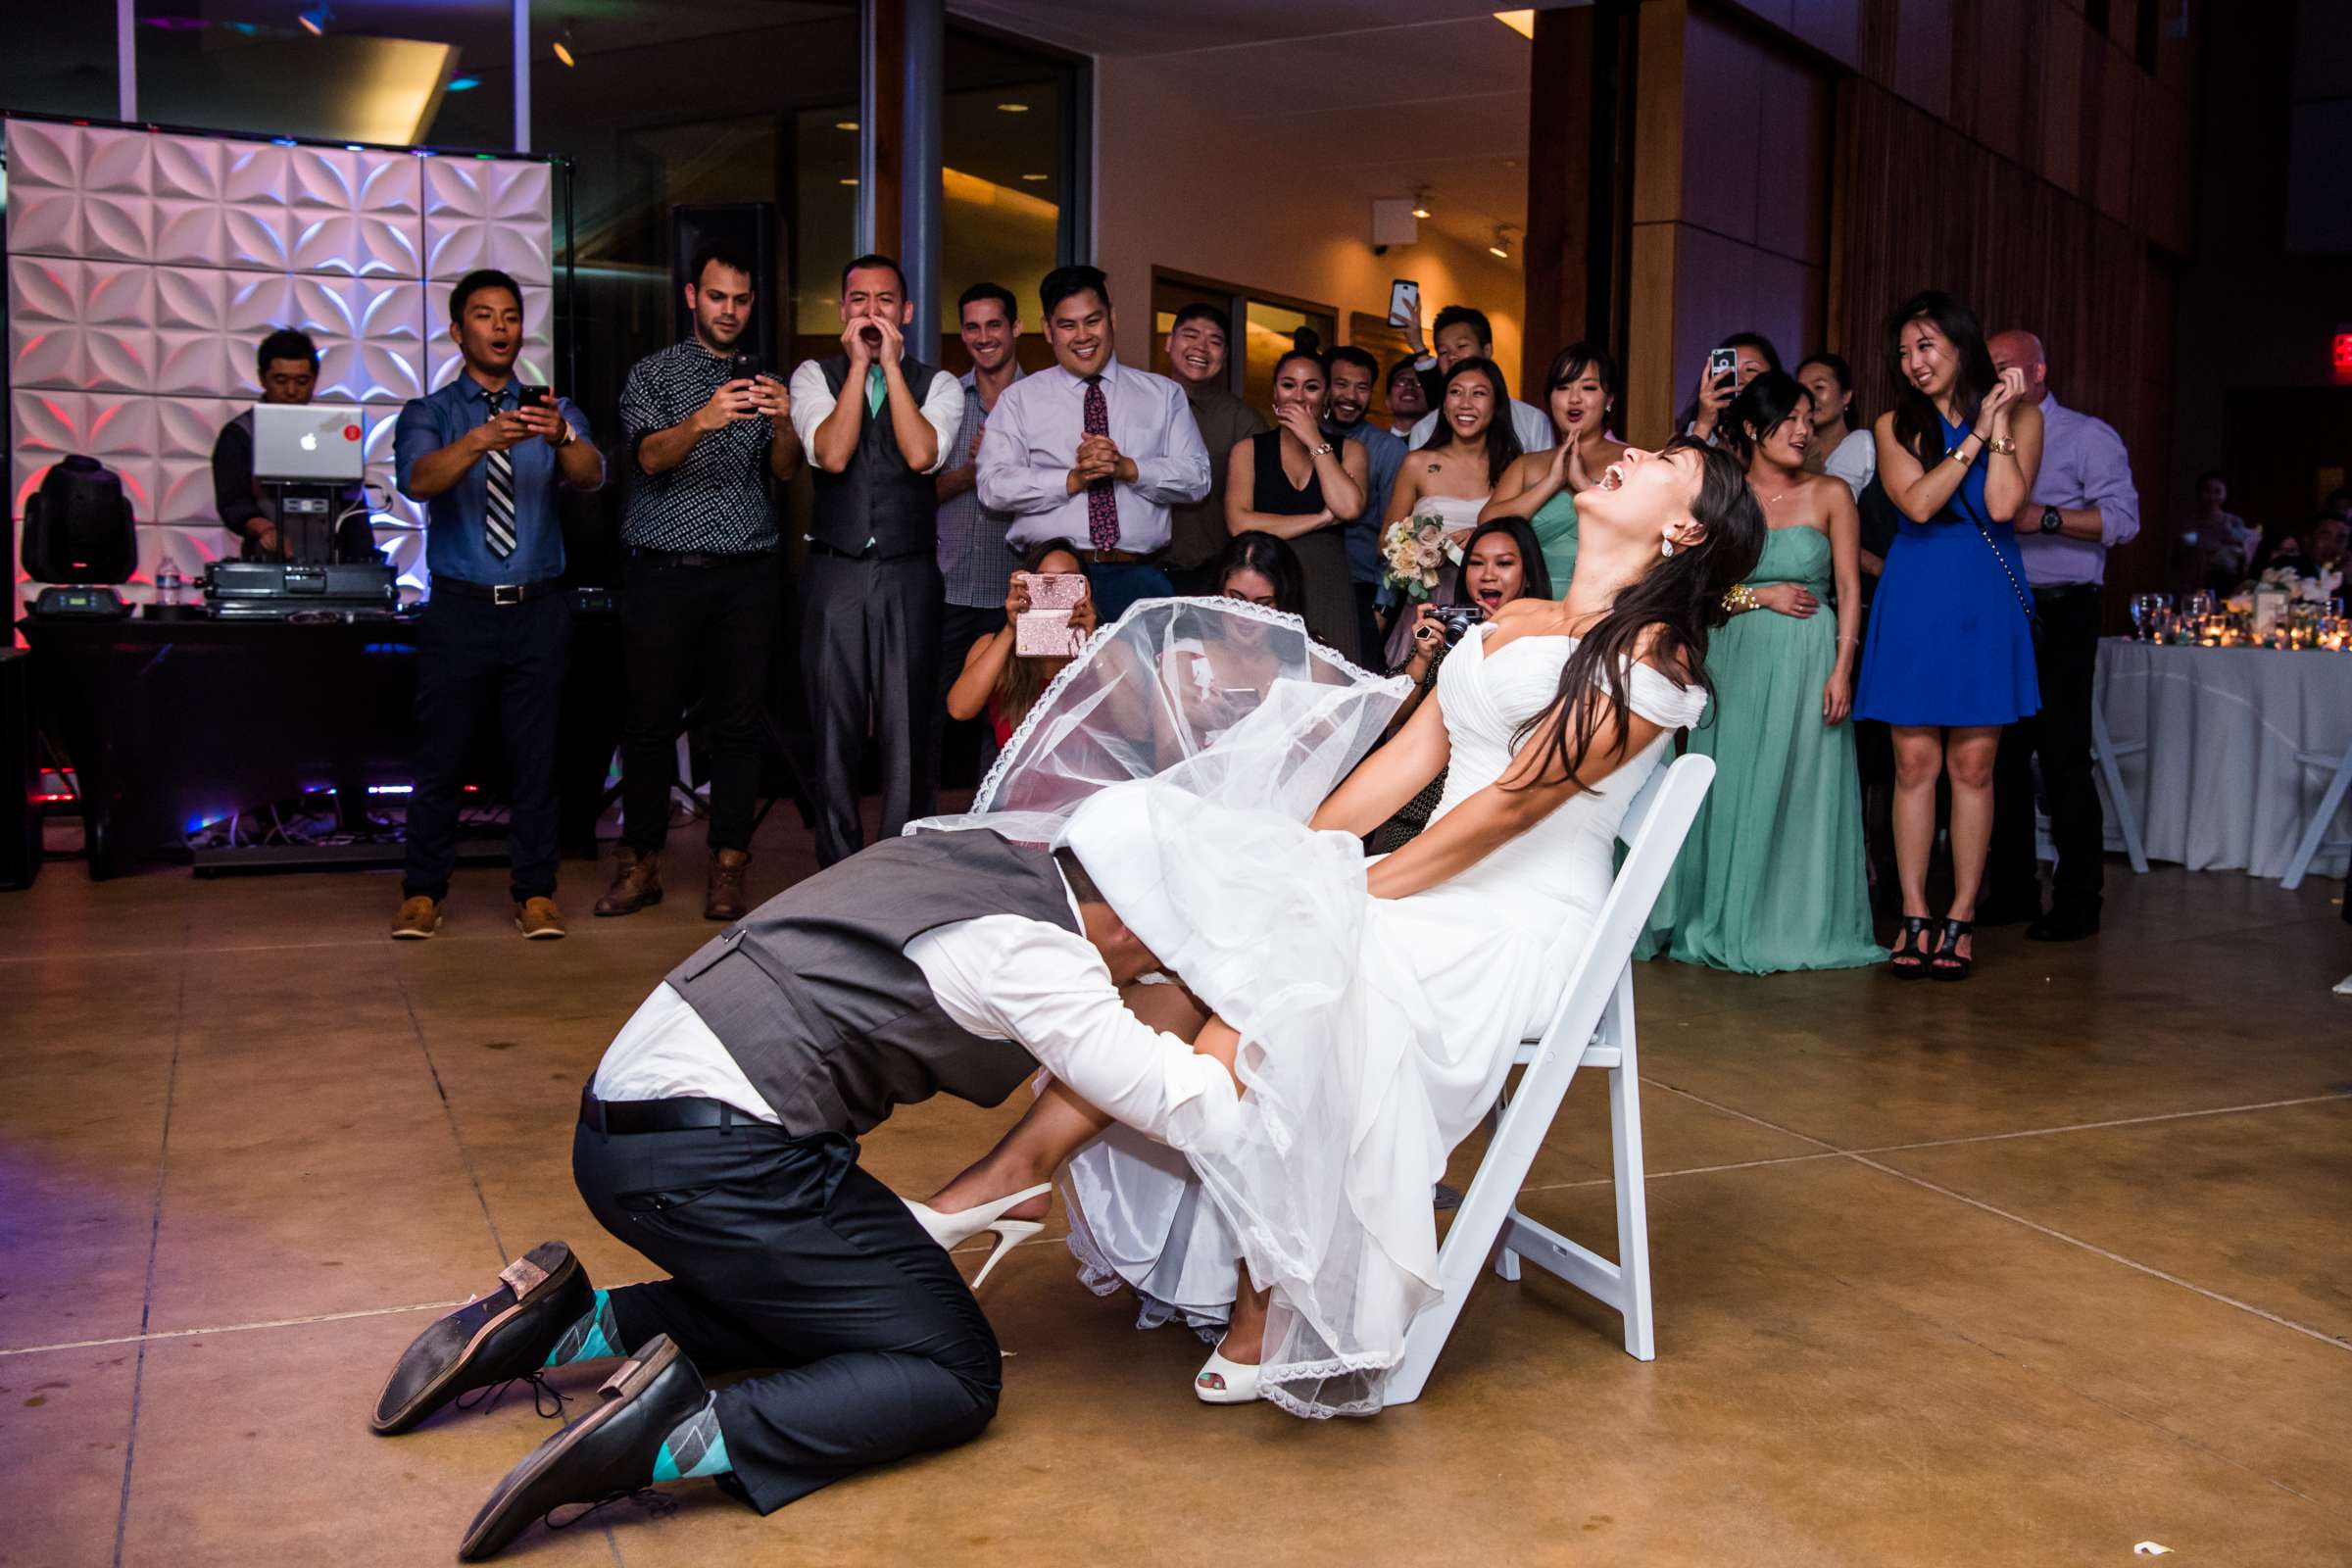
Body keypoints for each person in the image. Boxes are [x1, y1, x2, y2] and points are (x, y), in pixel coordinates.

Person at [913, 439, 1764, 1417]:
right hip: (1435, 878)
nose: (1633, 452)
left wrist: (1349, 892)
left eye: (1667, 461)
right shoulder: (1519, 618)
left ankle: (1251, 1279)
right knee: (1211, 937)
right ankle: (1021, 1176)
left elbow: (1507, 811)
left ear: (1684, 527)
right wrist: (1298, 851)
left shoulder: (1653, 664)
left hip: (1518, 921)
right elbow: (1409, 768)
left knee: (1285, 953)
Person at [368, 824, 1248, 1560]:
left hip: (619, 1128)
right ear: (1131, 925)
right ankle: (668, 1437)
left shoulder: (966, 848)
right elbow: (1189, 1105)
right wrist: (1251, 1005)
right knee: (952, 1371)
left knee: (832, 1313)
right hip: (719, 1168)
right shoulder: (1034, 954)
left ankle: (563, 1323)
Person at [1639, 372, 1883, 972]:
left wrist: (1844, 668)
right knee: (1729, 783)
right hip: (1733, 660)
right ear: (1752, 428)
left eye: (1808, 418)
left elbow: (1850, 589)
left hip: (1809, 663)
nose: (1804, 431)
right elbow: (1694, 591)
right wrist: (1760, 596)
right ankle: (1719, 914)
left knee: (1800, 788)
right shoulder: (1726, 497)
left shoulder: (1832, 495)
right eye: (1790, 420)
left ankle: (1789, 921)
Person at [389, 270, 604, 941]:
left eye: (510, 315)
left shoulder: (554, 410)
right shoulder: (429, 413)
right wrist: (483, 438)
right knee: (441, 758)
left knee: (538, 759)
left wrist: (563, 437)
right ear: (459, 331)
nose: (501, 327)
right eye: (484, 316)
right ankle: (423, 893)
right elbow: (419, 481)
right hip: (459, 608)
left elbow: (593, 476)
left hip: (539, 609)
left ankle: (536, 893)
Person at [597, 239, 801, 924]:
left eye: (742, 300)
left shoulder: (765, 376)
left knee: (738, 728)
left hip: (744, 573)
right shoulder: (653, 375)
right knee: (649, 724)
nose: (730, 311)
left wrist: (786, 421)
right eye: (718, 297)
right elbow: (648, 459)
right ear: (691, 297)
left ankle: (728, 867)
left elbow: (785, 471)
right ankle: (641, 864)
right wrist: (705, 418)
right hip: (662, 571)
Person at [1853, 292, 2042, 981]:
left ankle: (1959, 915)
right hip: (1917, 592)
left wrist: (1995, 426)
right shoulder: (1892, 424)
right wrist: (1971, 436)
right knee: (1913, 766)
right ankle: (1912, 912)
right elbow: (1921, 503)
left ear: (1962, 346)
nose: (1913, 363)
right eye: (1904, 352)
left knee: (1974, 767)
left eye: (1926, 346)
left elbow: (2001, 506)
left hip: (1984, 597)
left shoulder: (2022, 418)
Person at [788, 253, 965, 868]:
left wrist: (888, 367)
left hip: (908, 571)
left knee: (906, 729)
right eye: (859, 300)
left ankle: (898, 865)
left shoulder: (938, 384)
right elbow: (831, 456)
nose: (871, 311)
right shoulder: (813, 375)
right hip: (835, 569)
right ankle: (837, 867)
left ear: (906, 312)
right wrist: (858, 365)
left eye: (884, 301)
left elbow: (922, 456)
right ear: (841, 311)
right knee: (833, 728)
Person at [1979, 329, 2142, 943]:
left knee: (2064, 754)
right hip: (2001, 607)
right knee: (2002, 753)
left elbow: (2123, 522)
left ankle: (2079, 898)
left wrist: (2042, 516)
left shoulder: (2086, 435)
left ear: (2039, 369)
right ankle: (2014, 888)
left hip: (2063, 609)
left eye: (2007, 367)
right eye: (1988, 368)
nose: (1997, 378)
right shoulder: (1985, 431)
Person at [978, 265, 1211, 621]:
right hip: (1051, 581)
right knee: (1052, 678)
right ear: (1047, 330)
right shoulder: (1020, 400)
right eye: (1067, 325)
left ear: (1112, 317)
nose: (1083, 336)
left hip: (1141, 578)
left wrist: (1128, 469)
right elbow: (993, 487)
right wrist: (1072, 479)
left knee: (1145, 676)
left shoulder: (1164, 395)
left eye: (1093, 320)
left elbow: (1197, 478)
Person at [1370, 514, 1552, 854]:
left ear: (1527, 576)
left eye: (1504, 563)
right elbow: (1389, 717)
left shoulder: (1545, 643)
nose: (1487, 574)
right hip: (1416, 811)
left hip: (1490, 816)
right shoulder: (1451, 630)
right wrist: (1422, 659)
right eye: (1477, 563)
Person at [934, 282, 1028, 780]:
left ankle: (999, 834)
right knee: (935, 723)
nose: (984, 336)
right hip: (947, 588)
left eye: (995, 324)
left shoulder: (1042, 401)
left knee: (1015, 731)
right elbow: (915, 497)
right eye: (973, 326)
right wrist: (973, 471)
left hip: (1018, 593)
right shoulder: (944, 399)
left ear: (1016, 328)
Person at [1223, 346, 1368, 661]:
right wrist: (1318, 519)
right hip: (1267, 583)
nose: (1299, 397)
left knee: (1328, 681)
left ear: (1326, 397)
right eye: (1289, 385)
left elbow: (1349, 508)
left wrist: (1315, 440)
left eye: (1311, 387)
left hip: (1327, 582)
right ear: (1275, 394)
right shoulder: (1248, 450)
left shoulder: (1351, 451)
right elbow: (1238, 523)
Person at [1380, 358, 1521, 666]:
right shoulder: (1416, 463)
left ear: (1496, 404)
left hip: (1492, 607)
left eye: (1479, 393)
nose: (1465, 403)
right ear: (1444, 404)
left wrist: (1482, 538)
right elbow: (1385, 544)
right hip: (1429, 604)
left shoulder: (1514, 468)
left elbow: (1525, 540)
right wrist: (1425, 549)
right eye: (1456, 392)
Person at [210, 326, 378, 563]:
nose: (291, 391)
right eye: (281, 380)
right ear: (262, 378)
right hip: (266, 566)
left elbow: (353, 506)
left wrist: (366, 561)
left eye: (302, 381)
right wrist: (263, 529)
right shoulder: (240, 435)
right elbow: (233, 503)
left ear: (314, 380)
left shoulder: (332, 434)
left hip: (331, 567)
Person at [1479, 342, 1627, 588]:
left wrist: (1582, 484)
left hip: (1607, 601)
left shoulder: (1631, 460)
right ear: (1550, 397)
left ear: (1609, 399)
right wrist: (1551, 483)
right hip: (1535, 603)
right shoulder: (1527, 465)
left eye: (1588, 387)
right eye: (1563, 387)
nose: (1574, 399)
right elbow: (1487, 525)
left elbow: (1644, 534)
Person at [1155, 304, 1267, 595]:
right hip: (1137, 569)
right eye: (1190, 335)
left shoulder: (1243, 422)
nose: (1201, 347)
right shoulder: (1137, 404)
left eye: (1214, 342)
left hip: (1209, 578)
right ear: (1169, 342)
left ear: (1225, 355)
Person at [945, 543, 1099, 751]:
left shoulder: (1109, 649)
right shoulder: (993, 646)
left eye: (1066, 581)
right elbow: (960, 709)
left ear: (1085, 590)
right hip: (1018, 781)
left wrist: (1094, 643)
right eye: (1042, 581)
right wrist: (1010, 629)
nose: (1053, 594)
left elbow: (1136, 728)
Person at [1324, 344, 1409, 658]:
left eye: (1362, 388)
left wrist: (1382, 607)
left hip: (1360, 588)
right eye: (1341, 384)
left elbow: (1395, 535)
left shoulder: (1387, 449)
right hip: (1302, 580)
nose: (1351, 396)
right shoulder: (1297, 439)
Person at [1398, 303, 1555, 455]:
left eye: (1461, 346)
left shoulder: (1533, 420)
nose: (1452, 356)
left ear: (1487, 350)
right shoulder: (1425, 429)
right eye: (1443, 352)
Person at [1678, 330, 1782, 446]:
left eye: (1750, 369)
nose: (1739, 379)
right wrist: (1704, 424)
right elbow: (1689, 462)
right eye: (1730, 372)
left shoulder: (1786, 428)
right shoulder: (1710, 431)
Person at [1796, 351, 1875, 499]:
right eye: (1802, 390)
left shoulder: (1859, 442)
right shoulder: (1793, 448)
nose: (1809, 397)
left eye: (1819, 387)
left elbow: (1832, 503)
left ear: (1846, 396)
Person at [2175, 470, 2258, 593]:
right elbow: (2178, 555)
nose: (2212, 497)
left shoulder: (2233, 522)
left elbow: (2243, 551)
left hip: (2225, 581)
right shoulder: (2190, 522)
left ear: (2225, 493)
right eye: (2207, 491)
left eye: (2217, 491)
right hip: (2193, 581)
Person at [1212, 529, 1308, 613]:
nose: (1247, 615)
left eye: (1263, 605)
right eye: (1236, 600)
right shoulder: (1198, 630)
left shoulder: (1305, 634)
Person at [1386, 355, 1431, 437]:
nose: (1409, 386)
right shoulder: (1373, 445)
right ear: (1388, 400)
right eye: (1401, 382)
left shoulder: (1443, 446)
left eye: (1419, 383)